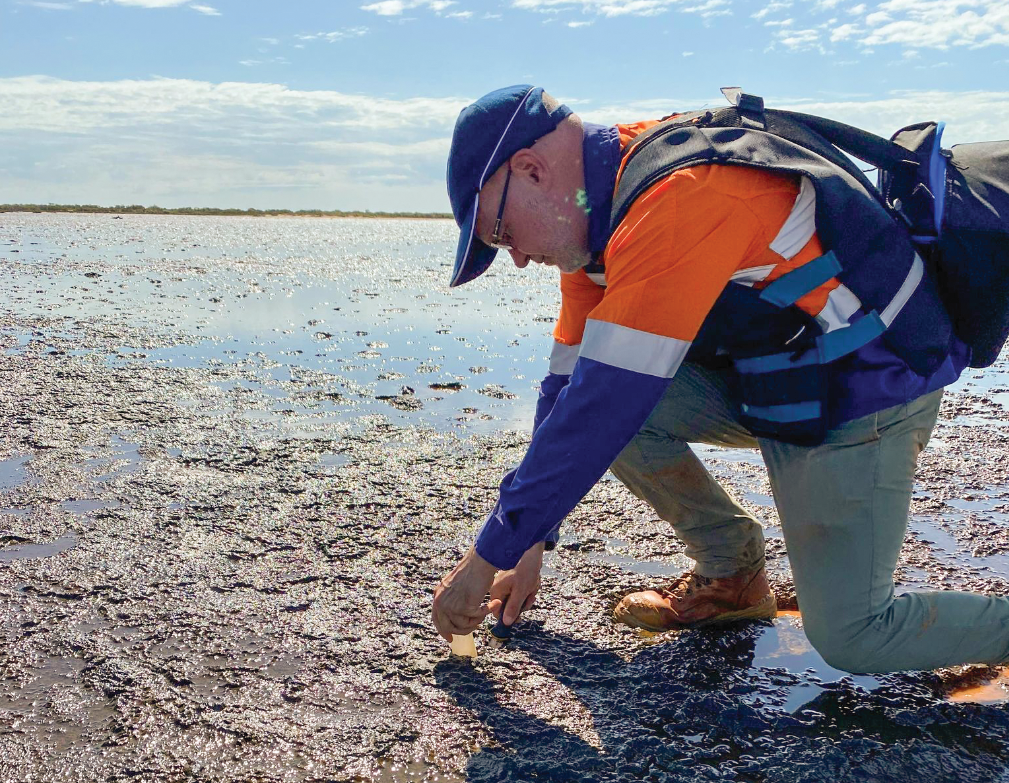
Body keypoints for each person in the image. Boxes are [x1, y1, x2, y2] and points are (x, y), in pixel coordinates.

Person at [431, 84, 1009, 674]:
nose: (519, 259)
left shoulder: (680, 199)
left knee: (853, 634)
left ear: (530, 170)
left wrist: (483, 557)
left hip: (864, 393)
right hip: (784, 379)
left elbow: (602, 408)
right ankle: (732, 574)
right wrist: (527, 543)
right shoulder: (600, 219)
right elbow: (567, 395)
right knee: (607, 410)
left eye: (501, 236)